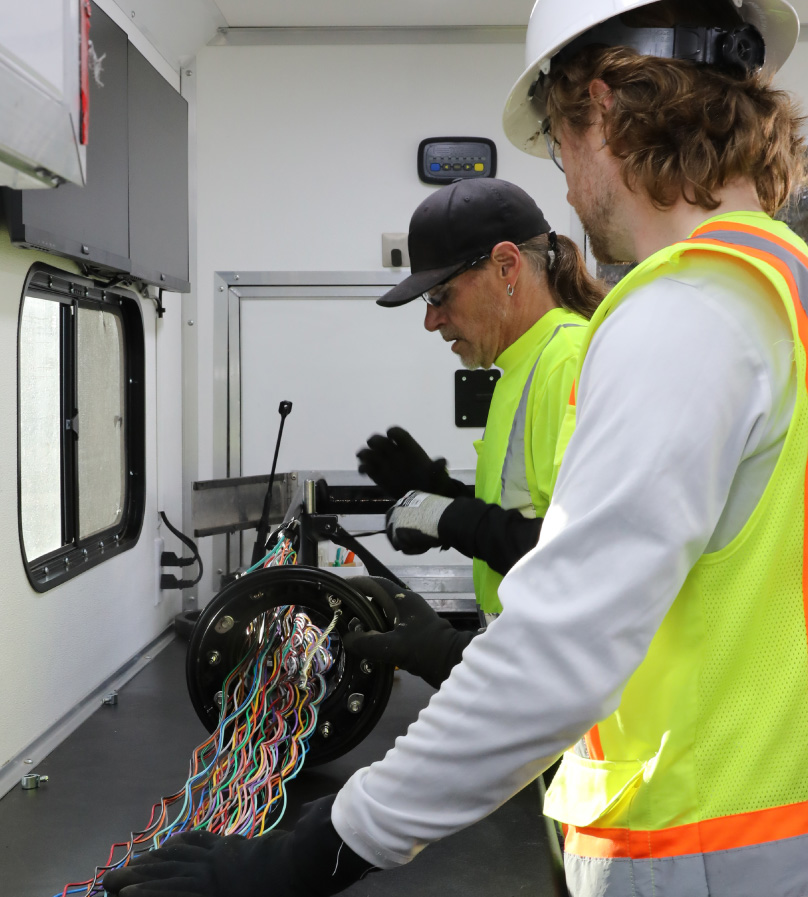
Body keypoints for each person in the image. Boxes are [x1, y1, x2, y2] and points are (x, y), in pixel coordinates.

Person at [103, 1, 808, 896]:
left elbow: (564, 639)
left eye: (557, 141)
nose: (568, 182)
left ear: (603, 105)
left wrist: (305, 851)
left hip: (702, 843)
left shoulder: (682, 313)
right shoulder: (780, 284)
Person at [355, 177, 605, 617]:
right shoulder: (520, 366)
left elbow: (587, 552)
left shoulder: (568, 360)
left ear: (506, 266)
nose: (431, 321)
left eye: (440, 295)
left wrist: (447, 517)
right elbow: (529, 513)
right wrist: (445, 494)